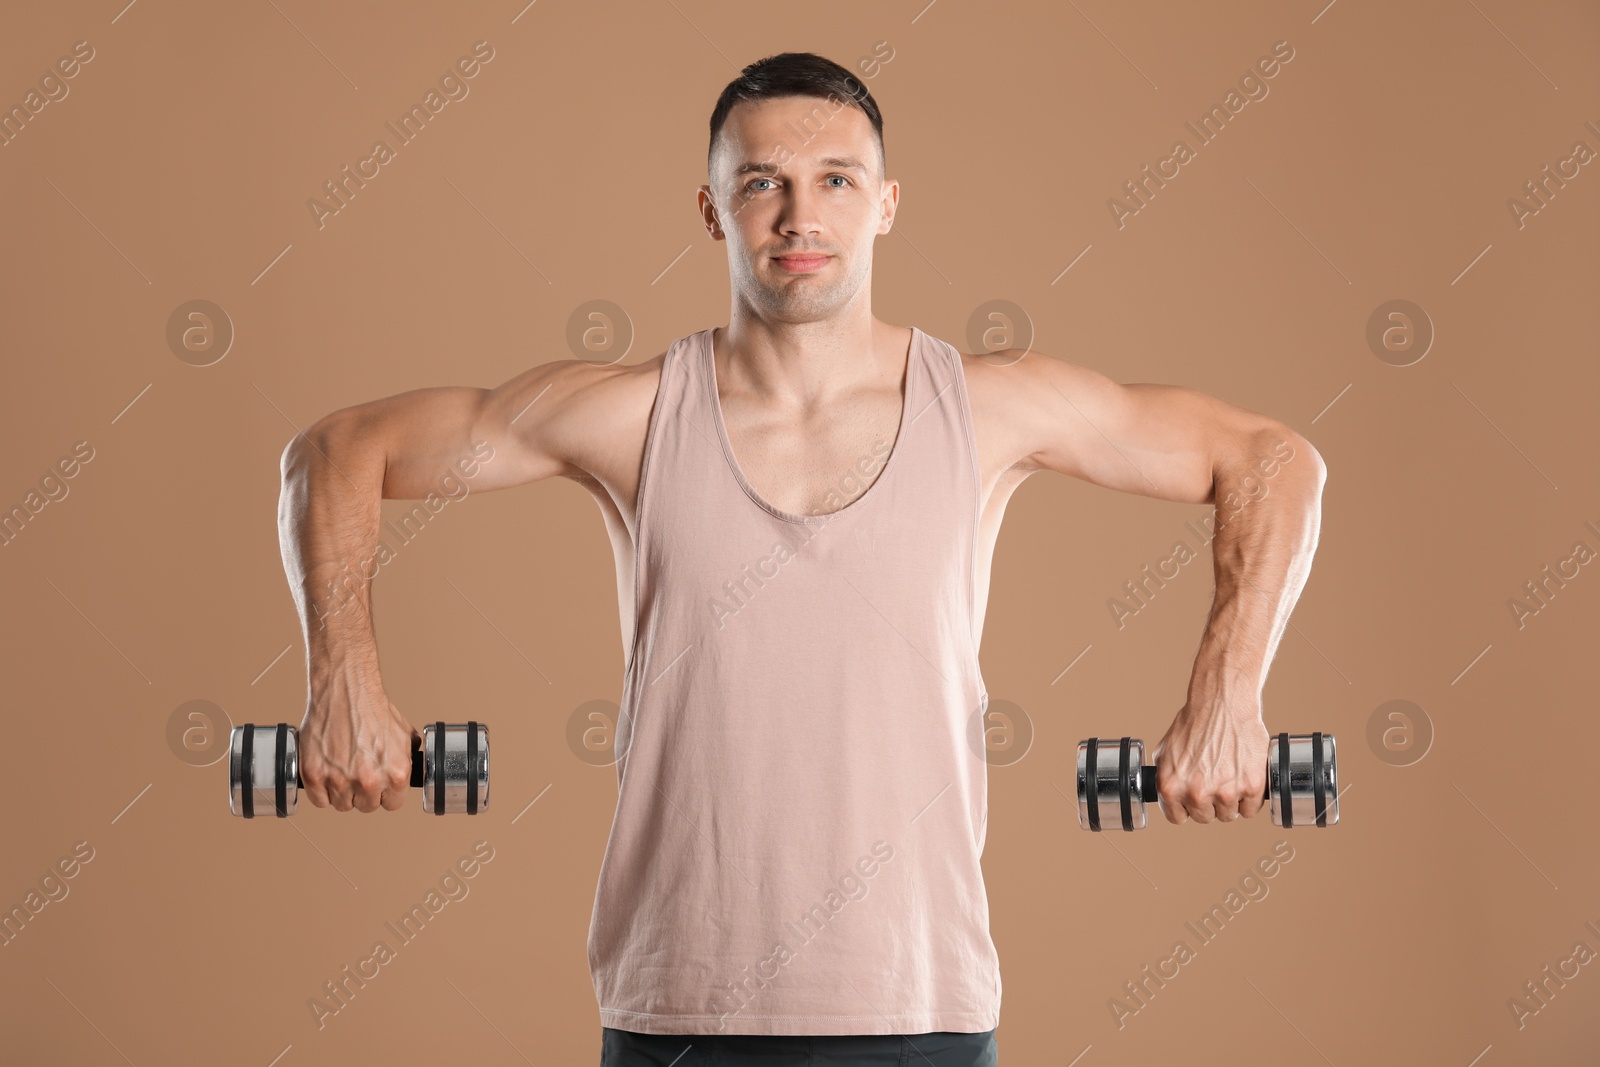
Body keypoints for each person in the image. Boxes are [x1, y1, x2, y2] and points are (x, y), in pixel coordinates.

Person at [277, 51, 1326, 1067]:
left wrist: (1228, 694)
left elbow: (1273, 461)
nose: (798, 216)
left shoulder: (992, 407)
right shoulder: (627, 413)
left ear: (886, 203)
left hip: (922, 1008)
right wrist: (345, 679)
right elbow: (335, 452)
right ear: (711, 209)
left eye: (834, 179)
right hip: (676, 1012)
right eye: (761, 184)